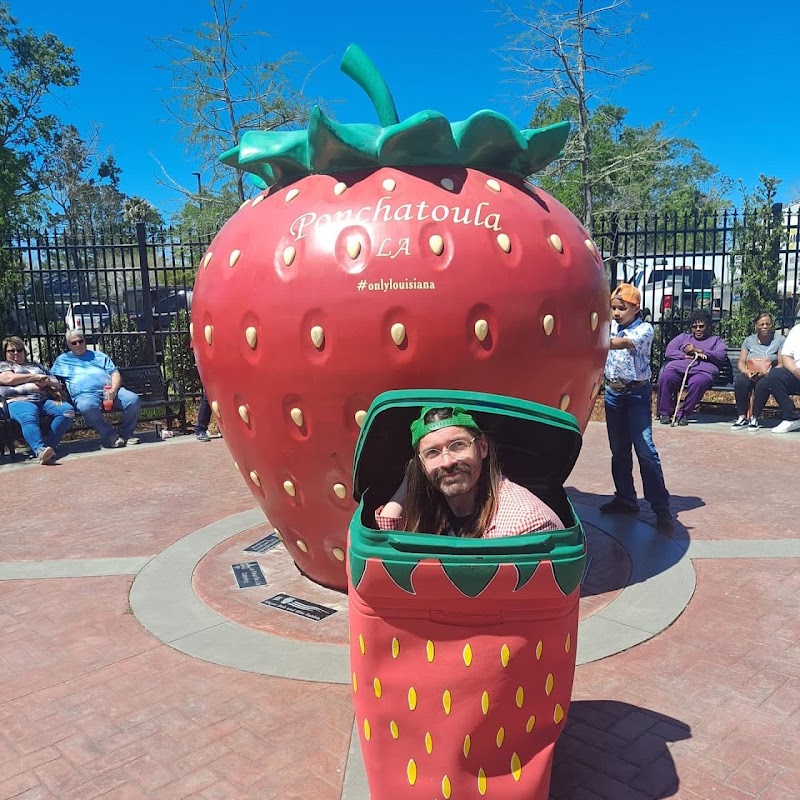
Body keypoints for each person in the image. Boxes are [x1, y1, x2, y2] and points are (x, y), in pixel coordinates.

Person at [375, 405, 562, 537]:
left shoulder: (526, 525)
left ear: (482, 447)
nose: (447, 462)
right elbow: (388, 542)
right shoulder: (435, 508)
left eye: (458, 445)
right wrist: (409, 482)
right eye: (432, 452)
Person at [601, 284, 672, 532]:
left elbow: (619, 344)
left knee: (644, 449)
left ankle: (661, 507)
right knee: (619, 449)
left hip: (636, 394)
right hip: (613, 393)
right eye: (614, 308)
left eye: (623, 308)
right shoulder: (609, 328)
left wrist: (593, 337)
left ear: (636, 308)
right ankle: (625, 498)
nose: (617, 313)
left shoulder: (644, 329)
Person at [51, 330, 141, 448]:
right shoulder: (62, 360)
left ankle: (127, 433)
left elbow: (115, 374)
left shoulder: (99, 356)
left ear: (85, 341)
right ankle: (110, 436)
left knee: (133, 400)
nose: (78, 345)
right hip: (85, 395)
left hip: (110, 390)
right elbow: (52, 378)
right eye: (74, 343)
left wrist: (113, 390)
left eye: (80, 341)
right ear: (68, 345)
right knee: (87, 407)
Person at [0, 336, 76, 464]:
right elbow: (9, 379)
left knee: (67, 411)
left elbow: (56, 383)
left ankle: (49, 447)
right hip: (18, 400)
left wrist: (45, 382)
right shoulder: (4, 365)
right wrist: (34, 377)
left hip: (43, 400)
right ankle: (40, 450)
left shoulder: (35, 365)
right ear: (5, 353)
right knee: (29, 417)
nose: (16, 353)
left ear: (24, 351)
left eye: (19, 350)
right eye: (11, 351)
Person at [656, 309, 728, 425]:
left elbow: (720, 356)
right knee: (666, 376)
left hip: (703, 371)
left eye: (701, 326)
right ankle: (665, 413)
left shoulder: (716, 340)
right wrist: (684, 356)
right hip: (679, 368)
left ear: (708, 326)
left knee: (697, 382)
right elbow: (669, 351)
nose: (698, 329)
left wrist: (698, 350)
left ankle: (683, 414)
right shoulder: (683, 338)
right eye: (694, 327)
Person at [731, 313, 785, 430]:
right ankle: (742, 417)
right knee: (741, 382)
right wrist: (746, 372)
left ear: (772, 325)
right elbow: (741, 362)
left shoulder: (780, 340)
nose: (765, 327)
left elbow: (781, 364)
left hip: (768, 374)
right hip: (750, 372)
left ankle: (754, 417)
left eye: (768, 324)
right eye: (762, 324)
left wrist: (765, 373)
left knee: (763, 385)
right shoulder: (749, 341)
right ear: (756, 326)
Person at [766, 318, 800, 434]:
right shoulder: (796, 331)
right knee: (776, 375)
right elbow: (786, 356)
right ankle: (792, 418)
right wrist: (795, 371)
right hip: (796, 374)